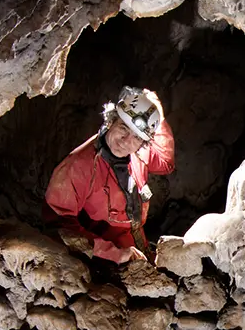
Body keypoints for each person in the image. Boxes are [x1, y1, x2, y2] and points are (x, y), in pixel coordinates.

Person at [43, 86, 174, 263]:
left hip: (138, 250)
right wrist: (113, 254)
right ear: (111, 120)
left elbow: (166, 163)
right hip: (103, 262)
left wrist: (155, 111)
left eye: (137, 137)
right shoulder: (78, 166)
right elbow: (58, 224)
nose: (126, 141)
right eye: (123, 128)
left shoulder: (139, 153)